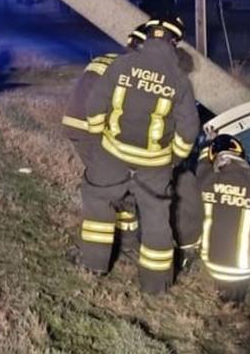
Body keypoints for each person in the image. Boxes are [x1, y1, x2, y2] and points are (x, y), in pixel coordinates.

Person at [77, 17, 197, 294]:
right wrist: (174, 159)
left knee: (98, 203)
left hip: (112, 155)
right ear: (174, 43)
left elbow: (95, 104)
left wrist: (99, 139)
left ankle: (94, 264)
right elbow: (189, 129)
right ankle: (156, 285)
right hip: (154, 166)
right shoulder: (179, 80)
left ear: (146, 38)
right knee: (156, 218)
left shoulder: (121, 65)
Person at [62, 24, 150, 260]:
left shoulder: (107, 59)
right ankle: (94, 257)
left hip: (77, 126)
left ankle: (127, 243)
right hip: (94, 132)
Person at [176, 134, 250, 292]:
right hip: (245, 269)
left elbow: (203, 166)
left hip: (212, 264)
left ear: (218, 162)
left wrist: (208, 145)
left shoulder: (206, 182)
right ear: (244, 159)